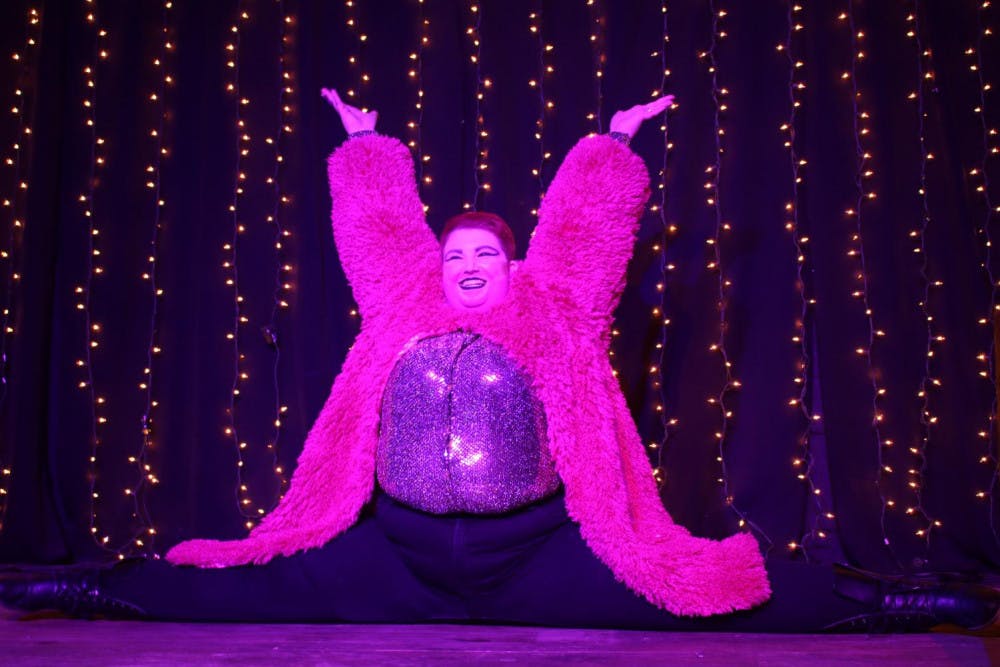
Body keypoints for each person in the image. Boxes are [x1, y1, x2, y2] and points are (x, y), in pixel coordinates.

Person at [1, 88, 997, 632]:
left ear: (512, 262)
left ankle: (893, 602)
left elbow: (586, 233)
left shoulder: (554, 306)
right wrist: (365, 148)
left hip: (532, 557)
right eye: (455, 254)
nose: (469, 264)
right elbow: (376, 233)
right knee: (234, 591)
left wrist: (613, 143)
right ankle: (85, 586)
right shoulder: (401, 302)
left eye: (485, 253)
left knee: (709, 596)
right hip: (398, 559)